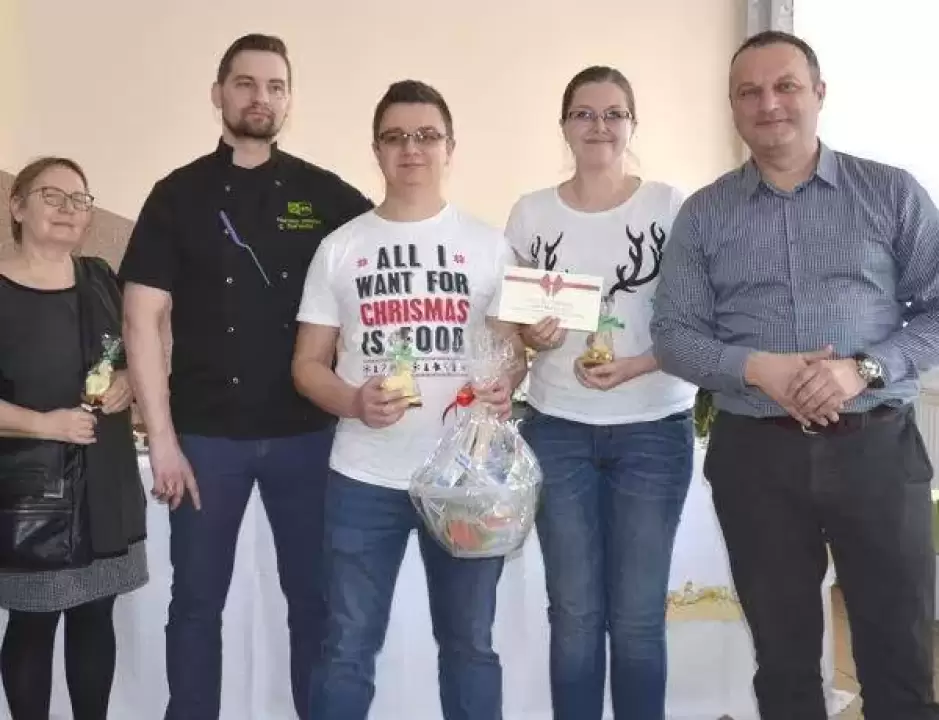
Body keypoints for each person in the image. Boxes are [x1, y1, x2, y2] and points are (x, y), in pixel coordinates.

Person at [651, 30, 939, 720]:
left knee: (898, 651)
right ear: (732, 106)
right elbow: (672, 335)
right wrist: (758, 368)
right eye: (748, 92)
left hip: (876, 449)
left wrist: (862, 369)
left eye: (785, 86)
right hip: (757, 459)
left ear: (819, 93)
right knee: (782, 661)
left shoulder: (889, 192)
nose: (768, 103)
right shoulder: (704, 214)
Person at [119, 34, 373, 720]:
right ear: (219, 94)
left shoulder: (326, 195)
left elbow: (389, 257)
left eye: (275, 86)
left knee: (315, 602)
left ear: (289, 100)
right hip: (206, 440)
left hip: (307, 438)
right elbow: (142, 318)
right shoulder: (176, 195)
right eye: (245, 83)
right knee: (195, 604)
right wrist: (162, 440)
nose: (261, 98)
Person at [293, 79, 524, 720]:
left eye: (426, 135)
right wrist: (352, 401)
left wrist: (508, 380)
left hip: (467, 481)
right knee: (346, 649)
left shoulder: (488, 245)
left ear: (450, 146)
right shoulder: (340, 247)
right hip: (364, 478)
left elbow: (511, 352)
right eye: (395, 137)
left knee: (470, 647)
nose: (411, 148)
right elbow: (307, 366)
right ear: (376, 149)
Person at [504, 66, 696, 720]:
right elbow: (512, 324)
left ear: (632, 124)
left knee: (638, 616)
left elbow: (699, 319)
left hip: (653, 429)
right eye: (583, 113)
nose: (599, 126)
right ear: (564, 125)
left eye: (614, 113)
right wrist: (529, 332)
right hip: (556, 428)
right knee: (574, 614)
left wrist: (640, 364)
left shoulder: (669, 206)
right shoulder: (531, 212)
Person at [0, 157, 148, 720]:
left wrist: (128, 380)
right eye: (52, 196)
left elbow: (133, 352)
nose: (68, 209)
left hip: (104, 482)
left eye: (79, 199)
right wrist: (44, 424)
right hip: (30, 490)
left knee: (95, 615)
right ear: (17, 206)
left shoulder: (100, 278)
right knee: (32, 622)